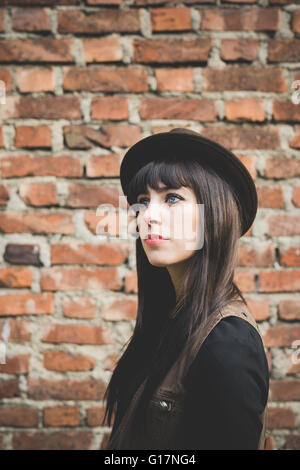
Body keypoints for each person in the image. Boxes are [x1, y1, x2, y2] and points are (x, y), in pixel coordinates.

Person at [101, 128, 270, 450]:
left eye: (172, 198)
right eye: (142, 201)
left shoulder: (227, 344)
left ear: (214, 215)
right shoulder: (170, 319)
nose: (148, 216)